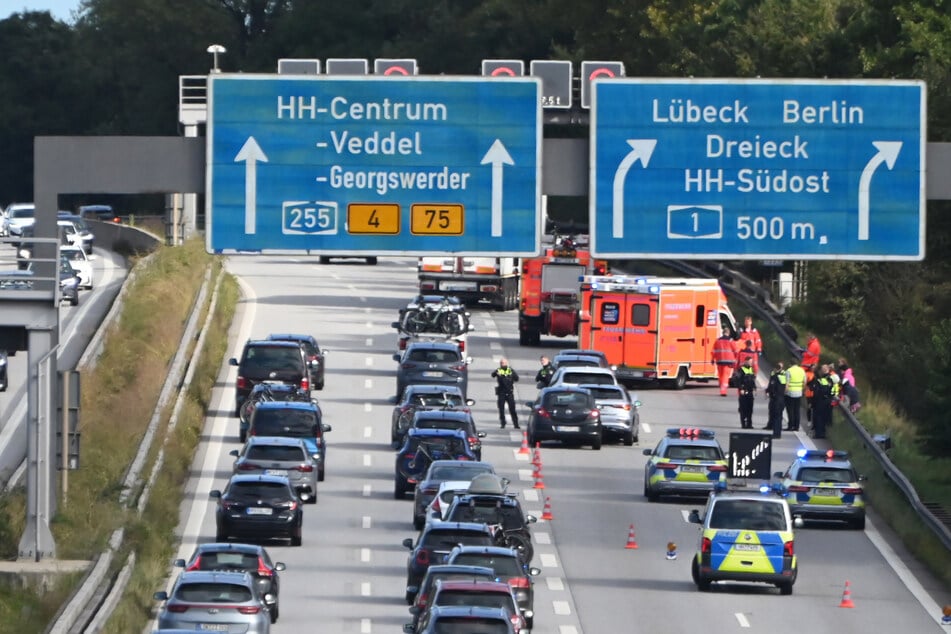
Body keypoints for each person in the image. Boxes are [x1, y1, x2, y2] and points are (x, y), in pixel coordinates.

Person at [809, 364, 838, 439]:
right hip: (829, 400)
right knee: (824, 418)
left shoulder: (821, 380)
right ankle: (823, 433)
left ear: (823, 370)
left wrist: (812, 402)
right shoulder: (832, 378)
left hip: (820, 401)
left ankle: (819, 434)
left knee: (819, 418)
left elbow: (815, 390)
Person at [491, 358, 520, 429]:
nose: (502, 364)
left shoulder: (510, 370)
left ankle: (516, 424)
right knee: (501, 409)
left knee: (512, 409)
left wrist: (510, 375)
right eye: (501, 363)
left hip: (509, 392)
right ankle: (503, 423)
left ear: (506, 363)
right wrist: (498, 374)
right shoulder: (498, 370)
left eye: (504, 363)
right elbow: (493, 375)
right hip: (501, 392)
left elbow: (517, 378)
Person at [712, 327, 737, 396]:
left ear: (723, 333)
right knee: (725, 376)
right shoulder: (731, 341)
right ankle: (723, 391)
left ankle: (721, 386)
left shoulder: (717, 341)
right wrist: (735, 360)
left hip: (719, 361)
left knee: (720, 375)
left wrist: (712, 359)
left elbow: (714, 351)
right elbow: (735, 351)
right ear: (728, 333)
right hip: (728, 361)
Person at [764, 361, 786, 437]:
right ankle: (778, 432)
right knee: (779, 416)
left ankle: (776, 433)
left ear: (776, 369)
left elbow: (772, 387)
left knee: (776, 416)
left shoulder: (775, 377)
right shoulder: (783, 377)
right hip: (782, 398)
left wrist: (768, 392)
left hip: (775, 399)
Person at [784, 359, 806, 432]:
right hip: (799, 392)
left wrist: (785, 392)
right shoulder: (802, 370)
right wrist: (803, 390)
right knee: (797, 410)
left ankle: (790, 426)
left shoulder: (788, 371)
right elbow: (804, 382)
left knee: (790, 410)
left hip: (790, 393)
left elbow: (787, 383)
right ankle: (796, 427)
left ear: (790, 364)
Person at [736, 355, 757, 429]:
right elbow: (737, 380)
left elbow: (753, 381)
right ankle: (743, 424)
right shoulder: (741, 369)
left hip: (750, 392)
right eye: (750, 362)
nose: (751, 363)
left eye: (752, 362)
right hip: (744, 392)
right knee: (743, 409)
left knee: (750, 409)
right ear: (746, 361)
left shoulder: (751, 369)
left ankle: (749, 424)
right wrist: (740, 388)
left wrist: (755, 388)